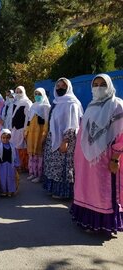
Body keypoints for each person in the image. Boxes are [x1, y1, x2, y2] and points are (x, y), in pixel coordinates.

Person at [71, 74, 123, 233]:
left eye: (102, 84)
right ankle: (87, 220)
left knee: (102, 191)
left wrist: (115, 158)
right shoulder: (91, 105)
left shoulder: (117, 105)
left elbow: (120, 134)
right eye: (96, 84)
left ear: (109, 86)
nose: (98, 87)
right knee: (87, 188)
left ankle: (103, 224)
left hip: (104, 158)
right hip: (85, 160)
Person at [42, 77, 83, 199]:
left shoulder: (72, 103)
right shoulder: (55, 102)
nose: (60, 88)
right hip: (53, 138)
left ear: (68, 87)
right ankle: (52, 188)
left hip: (65, 140)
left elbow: (73, 124)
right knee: (52, 165)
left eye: (63, 86)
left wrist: (65, 141)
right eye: (58, 86)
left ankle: (63, 192)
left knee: (62, 166)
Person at [25, 88, 51, 183]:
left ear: (43, 94)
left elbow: (47, 122)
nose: (37, 95)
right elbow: (29, 120)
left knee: (39, 154)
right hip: (31, 133)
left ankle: (39, 175)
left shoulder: (46, 106)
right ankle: (32, 173)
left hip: (39, 133)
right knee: (32, 153)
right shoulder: (33, 106)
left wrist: (44, 134)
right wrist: (26, 132)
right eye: (35, 93)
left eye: (39, 94)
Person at [10, 86, 32, 173]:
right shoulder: (15, 102)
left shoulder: (27, 102)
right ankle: (16, 164)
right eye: (17, 91)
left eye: (20, 92)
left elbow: (28, 117)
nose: (18, 93)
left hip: (22, 128)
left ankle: (23, 166)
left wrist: (25, 129)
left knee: (22, 147)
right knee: (14, 147)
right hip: (14, 128)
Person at [0, 129, 20, 197]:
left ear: (10, 138)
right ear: (1, 137)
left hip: (10, 165)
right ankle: (3, 191)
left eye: (7, 138)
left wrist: (17, 164)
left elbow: (15, 156)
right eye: (3, 138)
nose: (5, 139)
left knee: (10, 178)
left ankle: (10, 191)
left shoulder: (13, 147)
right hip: (2, 165)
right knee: (2, 178)